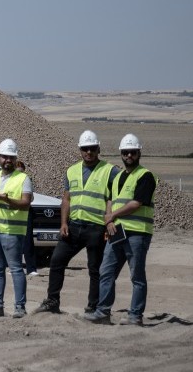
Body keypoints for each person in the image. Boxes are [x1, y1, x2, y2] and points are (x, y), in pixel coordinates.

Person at [36, 130, 119, 315]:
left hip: (96, 228)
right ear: (80, 150)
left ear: (98, 149)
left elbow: (113, 198)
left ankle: (94, 306)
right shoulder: (71, 171)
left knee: (95, 269)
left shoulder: (110, 171)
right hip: (73, 227)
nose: (88, 152)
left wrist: (109, 219)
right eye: (84, 149)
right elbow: (66, 199)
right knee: (57, 260)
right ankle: (52, 300)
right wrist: (63, 223)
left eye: (91, 148)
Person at [83, 133, 156, 326]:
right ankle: (103, 312)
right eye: (125, 152)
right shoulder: (117, 178)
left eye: (132, 152)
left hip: (138, 233)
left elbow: (136, 203)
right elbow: (111, 201)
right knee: (106, 272)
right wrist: (109, 221)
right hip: (118, 232)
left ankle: (135, 316)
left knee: (137, 276)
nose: (129, 155)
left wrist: (113, 216)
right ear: (121, 154)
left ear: (139, 153)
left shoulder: (145, 176)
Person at [0, 138, 33, 319]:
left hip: (12, 231)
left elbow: (26, 203)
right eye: (4, 157)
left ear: (16, 159)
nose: (7, 160)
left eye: (11, 157)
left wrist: (8, 200)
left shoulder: (23, 179)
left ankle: (19, 307)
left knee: (16, 268)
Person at [17, 159, 39, 277]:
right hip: (15, 212)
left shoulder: (27, 181)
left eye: (22, 172)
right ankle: (15, 267)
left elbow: (31, 198)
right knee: (15, 241)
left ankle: (31, 268)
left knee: (28, 240)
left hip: (26, 212)